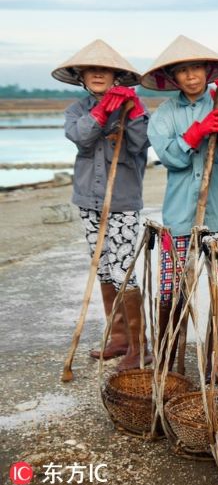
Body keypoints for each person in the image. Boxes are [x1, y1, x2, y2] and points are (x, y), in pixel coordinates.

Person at [141, 35, 218, 378]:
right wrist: (198, 131)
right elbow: (171, 158)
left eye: (196, 69)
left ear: (207, 71)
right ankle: (166, 363)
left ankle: (214, 361)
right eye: (183, 71)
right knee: (171, 291)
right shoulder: (165, 115)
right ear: (173, 78)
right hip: (180, 216)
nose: (191, 76)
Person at [52, 39, 152, 370]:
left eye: (105, 71)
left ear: (116, 77)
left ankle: (140, 346)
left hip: (122, 201)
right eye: (92, 70)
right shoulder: (76, 110)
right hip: (88, 201)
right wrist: (103, 109)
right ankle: (120, 338)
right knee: (104, 267)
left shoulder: (134, 106)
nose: (98, 75)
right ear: (81, 76)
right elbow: (80, 136)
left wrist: (131, 111)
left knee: (124, 270)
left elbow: (140, 144)